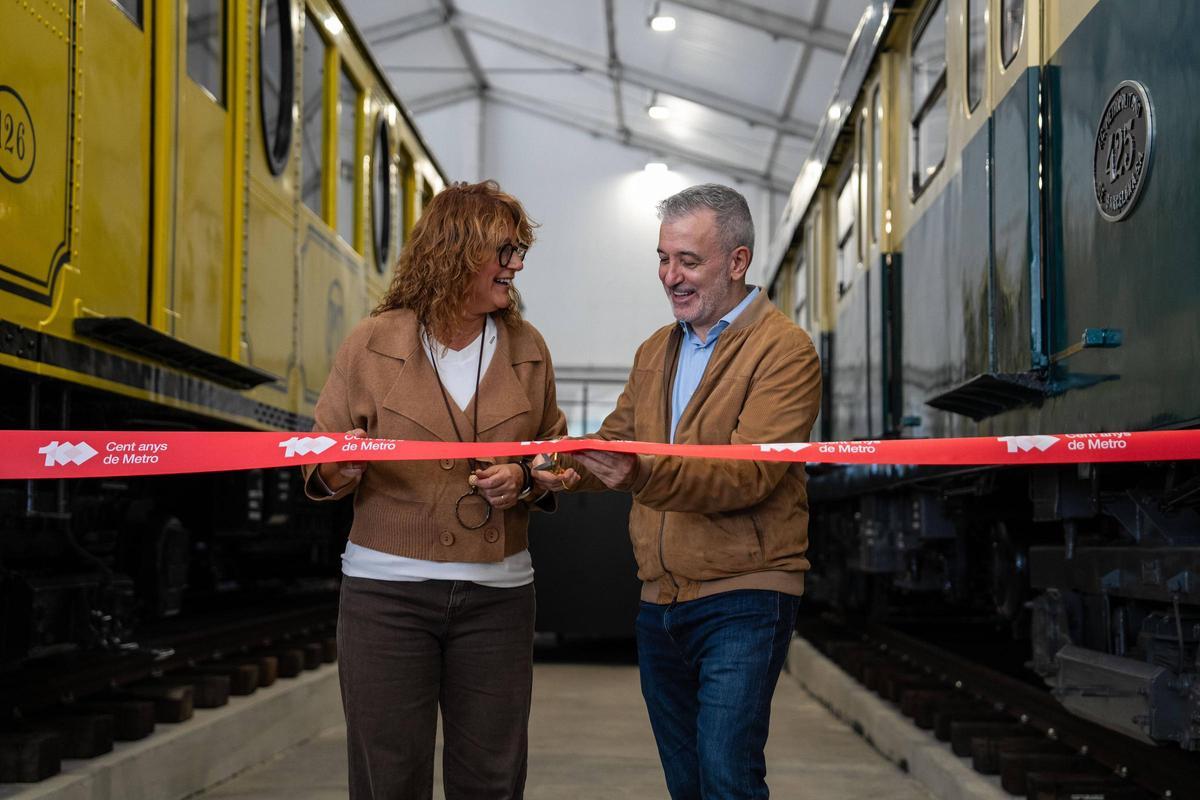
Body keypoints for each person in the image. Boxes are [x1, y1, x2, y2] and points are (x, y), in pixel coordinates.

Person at [304, 180, 567, 800]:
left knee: (492, 781)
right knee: (387, 778)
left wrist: (525, 477)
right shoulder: (370, 344)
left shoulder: (529, 348)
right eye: (505, 251)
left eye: (519, 251)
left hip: (498, 598)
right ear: (458, 251)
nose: (517, 266)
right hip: (385, 596)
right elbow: (317, 458)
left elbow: (554, 450)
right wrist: (342, 466)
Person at [566, 184, 821, 799]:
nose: (670, 276)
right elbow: (617, 442)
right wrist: (556, 468)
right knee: (687, 784)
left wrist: (639, 473)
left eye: (688, 261)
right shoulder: (656, 350)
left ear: (737, 262)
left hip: (745, 593)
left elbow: (747, 475)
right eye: (663, 258)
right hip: (660, 601)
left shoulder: (785, 351)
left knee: (727, 777)